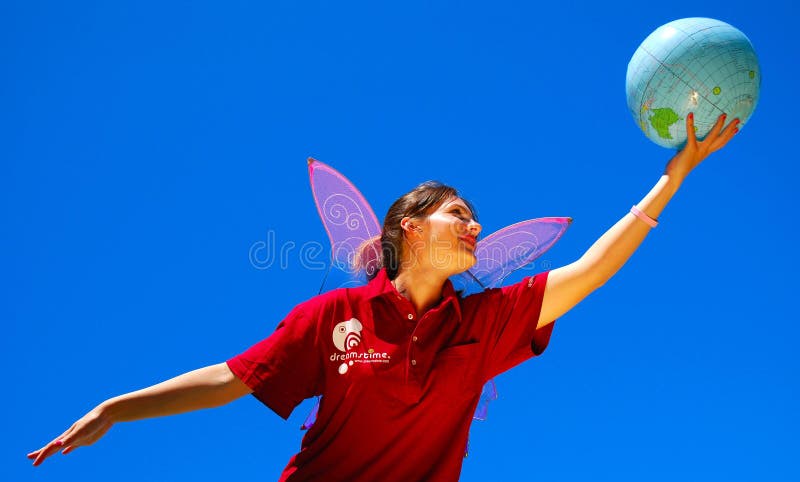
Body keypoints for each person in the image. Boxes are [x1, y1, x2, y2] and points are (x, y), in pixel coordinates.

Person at [29, 113, 739, 480]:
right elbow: (229, 379)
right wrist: (115, 409)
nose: (475, 224)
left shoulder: (485, 323)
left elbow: (589, 268)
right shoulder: (334, 318)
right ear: (408, 227)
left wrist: (672, 178)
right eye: (456, 212)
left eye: (474, 215)